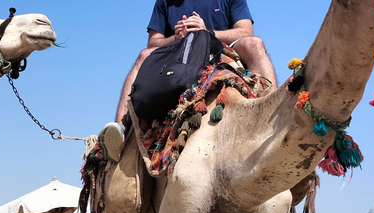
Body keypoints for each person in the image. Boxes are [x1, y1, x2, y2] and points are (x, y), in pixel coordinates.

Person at [97, 0, 276, 162]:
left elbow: (245, 31)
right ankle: (119, 130)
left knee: (254, 43)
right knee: (144, 55)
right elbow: (153, 42)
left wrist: (207, 32)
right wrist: (176, 36)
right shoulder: (165, 2)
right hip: (176, 54)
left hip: (219, 49)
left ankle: (274, 115)